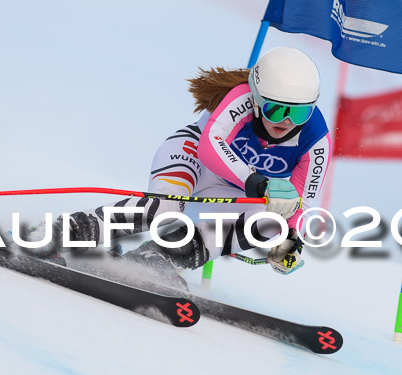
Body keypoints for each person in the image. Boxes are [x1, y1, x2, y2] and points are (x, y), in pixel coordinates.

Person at [51, 47, 331, 279]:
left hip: (234, 189)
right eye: (276, 109)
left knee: (273, 222)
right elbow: (210, 147)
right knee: (164, 207)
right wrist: (253, 180)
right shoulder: (241, 99)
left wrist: (291, 239)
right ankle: (63, 234)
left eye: (300, 113)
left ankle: (159, 258)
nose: (286, 121)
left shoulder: (316, 139)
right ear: (257, 100)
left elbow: (301, 203)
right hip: (194, 158)